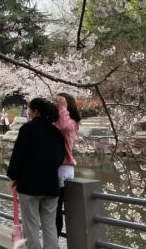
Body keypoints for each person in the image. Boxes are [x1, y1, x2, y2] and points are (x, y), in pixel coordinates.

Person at [7, 98, 65, 249]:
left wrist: (13, 176)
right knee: (50, 225)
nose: (28, 112)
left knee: (31, 225)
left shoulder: (27, 128)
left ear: (36, 111)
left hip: (29, 185)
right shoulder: (56, 132)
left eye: (30, 109)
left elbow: (18, 154)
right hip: (51, 186)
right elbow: (60, 157)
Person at [54, 93, 81, 237]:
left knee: (56, 209)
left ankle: (55, 241)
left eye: (58, 103)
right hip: (56, 168)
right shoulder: (58, 120)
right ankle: (53, 241)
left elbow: (64, 127)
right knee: (54, 209)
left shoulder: (71, 123)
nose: (56, 106)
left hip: (63, 169)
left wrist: (63, 108)